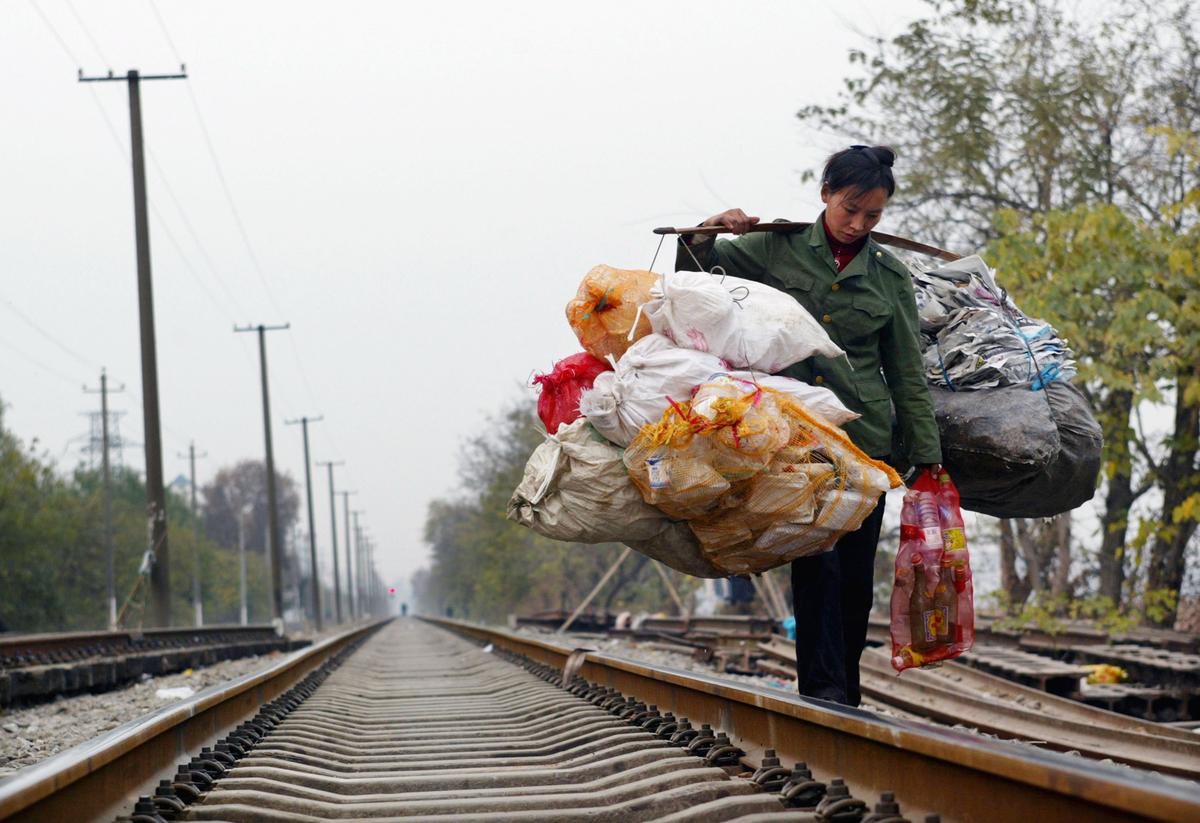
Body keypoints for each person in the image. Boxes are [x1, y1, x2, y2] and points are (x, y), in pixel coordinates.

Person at [676, 145, 942, 707]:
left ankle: (845, 692)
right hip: (794, 438)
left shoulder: (889, 276)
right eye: (850, 209)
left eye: (873, 215)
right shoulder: (777, 246)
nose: (858, 224)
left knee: (855, 577)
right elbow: (698, 279)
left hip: (864, 442)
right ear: (826, 195)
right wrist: (708, 230)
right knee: (816, 563)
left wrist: (926, 454)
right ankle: (823, 694)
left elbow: (906, 371)